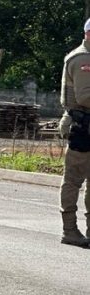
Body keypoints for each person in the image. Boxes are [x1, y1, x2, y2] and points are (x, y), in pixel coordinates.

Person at [59, 18, 90, 247]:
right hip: (83, 126)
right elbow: (84, 96)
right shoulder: (83, 59)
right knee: (73, 181)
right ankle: (70, 230)